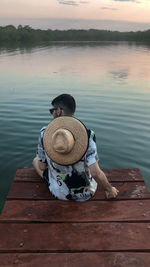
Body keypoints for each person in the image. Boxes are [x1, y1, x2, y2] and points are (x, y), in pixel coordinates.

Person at [33, 94, 119, 201]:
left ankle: (54, 181)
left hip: (59, 194)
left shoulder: (44, 134)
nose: (52, 113)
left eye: (52, 111)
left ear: (59, 111)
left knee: (36, 160)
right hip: (87, 193)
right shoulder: (88, 135)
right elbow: (95, 172)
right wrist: (110, 189)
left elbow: (42, 166)